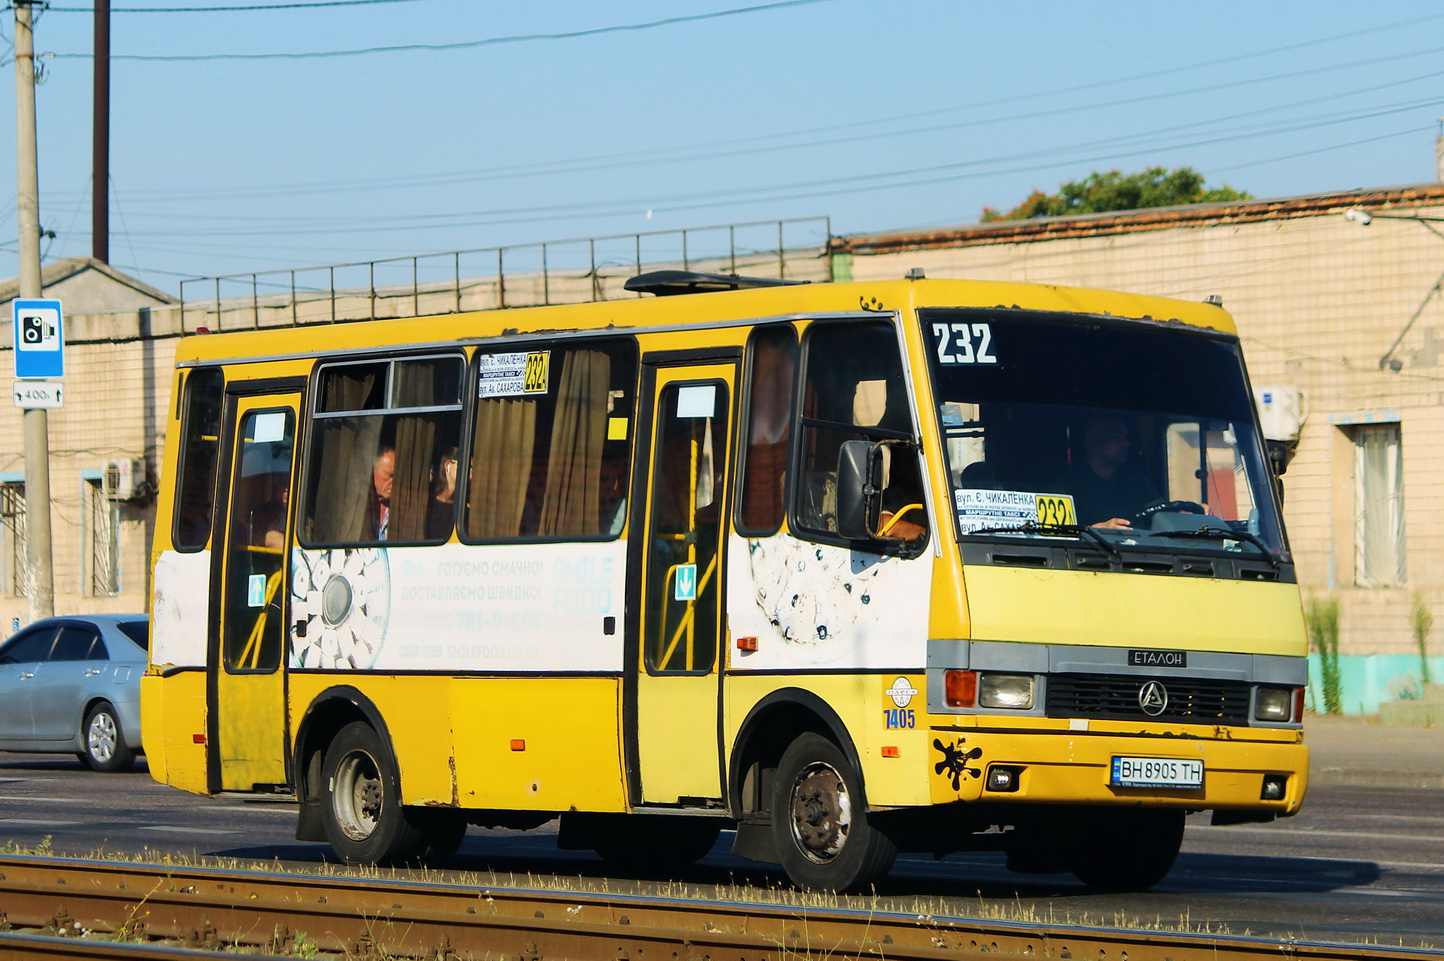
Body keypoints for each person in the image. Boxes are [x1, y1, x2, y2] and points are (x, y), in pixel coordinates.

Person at [1055, 413, 1161, 529]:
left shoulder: (1134, 478)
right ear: (1094, 440)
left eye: (1126, 438)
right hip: (1091, 547)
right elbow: (1059, 531)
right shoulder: (1066, 482)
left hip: (1141, 546)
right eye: (1117, 437)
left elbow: (1159, 509)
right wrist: (1098, 530)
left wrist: (1176, 514)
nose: (1126, 444)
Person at [425, 446, 459, 540]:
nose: (470, 475)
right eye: (466, 466)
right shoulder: (428, 504)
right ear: (447, 464)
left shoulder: (463, 508)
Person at [365, 446, 396, 540]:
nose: (394, 482)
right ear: (373, 472)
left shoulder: (399, 512)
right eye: (389, 475)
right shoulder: (360, 509)